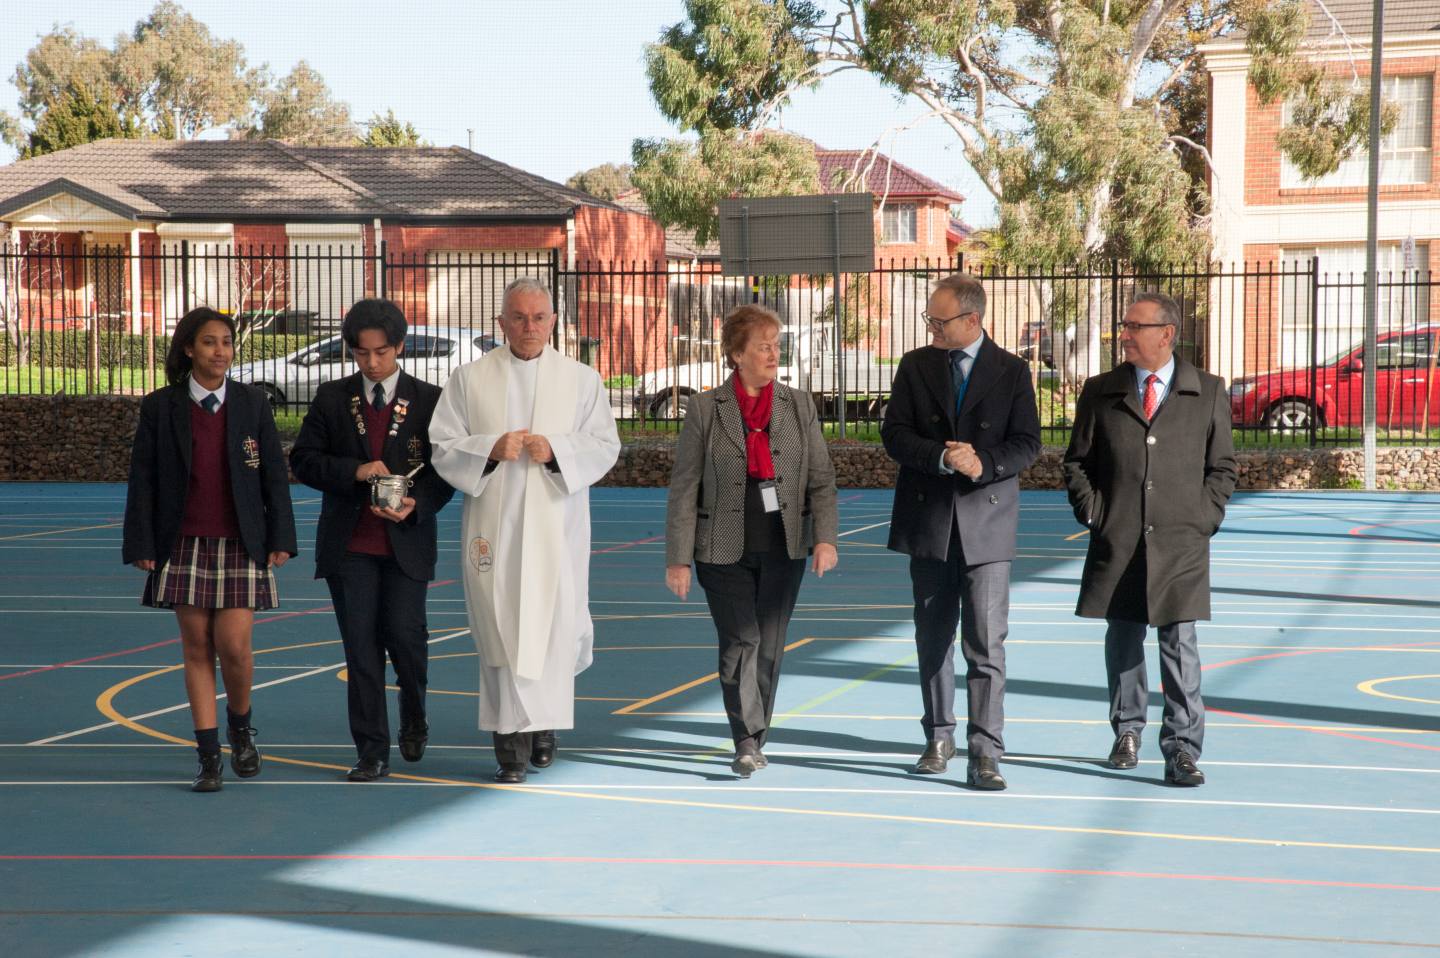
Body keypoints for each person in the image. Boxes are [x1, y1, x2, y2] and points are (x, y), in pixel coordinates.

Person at [429, 277, 620, 784]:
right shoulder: (470, 379)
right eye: (518, 317)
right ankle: (509, 744)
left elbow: (605, 445)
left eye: (538, 317)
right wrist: (489, 448)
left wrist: (556, 450)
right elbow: (443, 444)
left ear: (553, 322)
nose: (529, 327)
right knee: (501, 623)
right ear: (501, 323)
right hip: (496, 525)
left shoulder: (581, 380)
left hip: (557, 526)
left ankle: (545, 727)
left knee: (554, 624)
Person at [1063, 291, 1237, 787]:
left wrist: (1203, 517)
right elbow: (1077, 462)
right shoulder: (1101, 390)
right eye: (1124, 326)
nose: (1124, 335)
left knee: (1179, 644)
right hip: (1119, 537)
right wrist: (1096, 513)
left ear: (1166, 334)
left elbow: (1222, 467)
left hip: (1182, 541)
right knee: (1122, 637)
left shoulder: (1207, 390)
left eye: (1134, 327)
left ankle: (1182, 748)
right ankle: (1127, 731)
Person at [122, 306, 297, 793]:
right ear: (188, 349)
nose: (220, 351)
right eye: (209, 342)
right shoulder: (161, 406)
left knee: (235, 647)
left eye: (226, 341)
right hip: (183, 543)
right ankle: (208, 756)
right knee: (197, 647)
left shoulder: (253, 403)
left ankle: (240, 727)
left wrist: (281, 537)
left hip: (242, 541)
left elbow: (273, 475)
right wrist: (141, 542)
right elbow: (143, 478)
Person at [665, 305, 839, 778]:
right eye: (763, 346)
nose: (773, 354)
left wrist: (825, 538)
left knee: (769, 646)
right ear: (737, 355)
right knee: (741, 640)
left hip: (785, 545)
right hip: (721, 548)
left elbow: (821, 479)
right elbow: (685, 487)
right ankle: (744, 740)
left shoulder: (798, 404)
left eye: (775, 345)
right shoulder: (706, 409)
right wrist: (678, 559)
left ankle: (755, 737)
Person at [881, 273, 1040, 790]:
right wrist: (942, 456)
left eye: (939, 320)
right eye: (929, 318)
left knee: (985, 644)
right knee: (932, 639)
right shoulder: (916, 365)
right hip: (929, 522)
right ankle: (938, 737)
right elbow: (894, 434)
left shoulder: (1012, 371)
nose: (931, 327)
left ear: (972, 319)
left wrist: (982, 463)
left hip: (986, 526)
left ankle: (986, 752)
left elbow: (1028, 443)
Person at [290, 299, 456, 783]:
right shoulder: (331, 397)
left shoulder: (430, 399)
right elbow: (303, 460)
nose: (371, 362)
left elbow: (446, 472)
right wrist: (355, 470)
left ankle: (414, 714)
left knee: (406, 639)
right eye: (361, 353)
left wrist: (417, 504)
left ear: (399, 346)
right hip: (350, 545)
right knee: (361, 650)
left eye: (381, 352)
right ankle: (371, 750)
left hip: (406, 541)